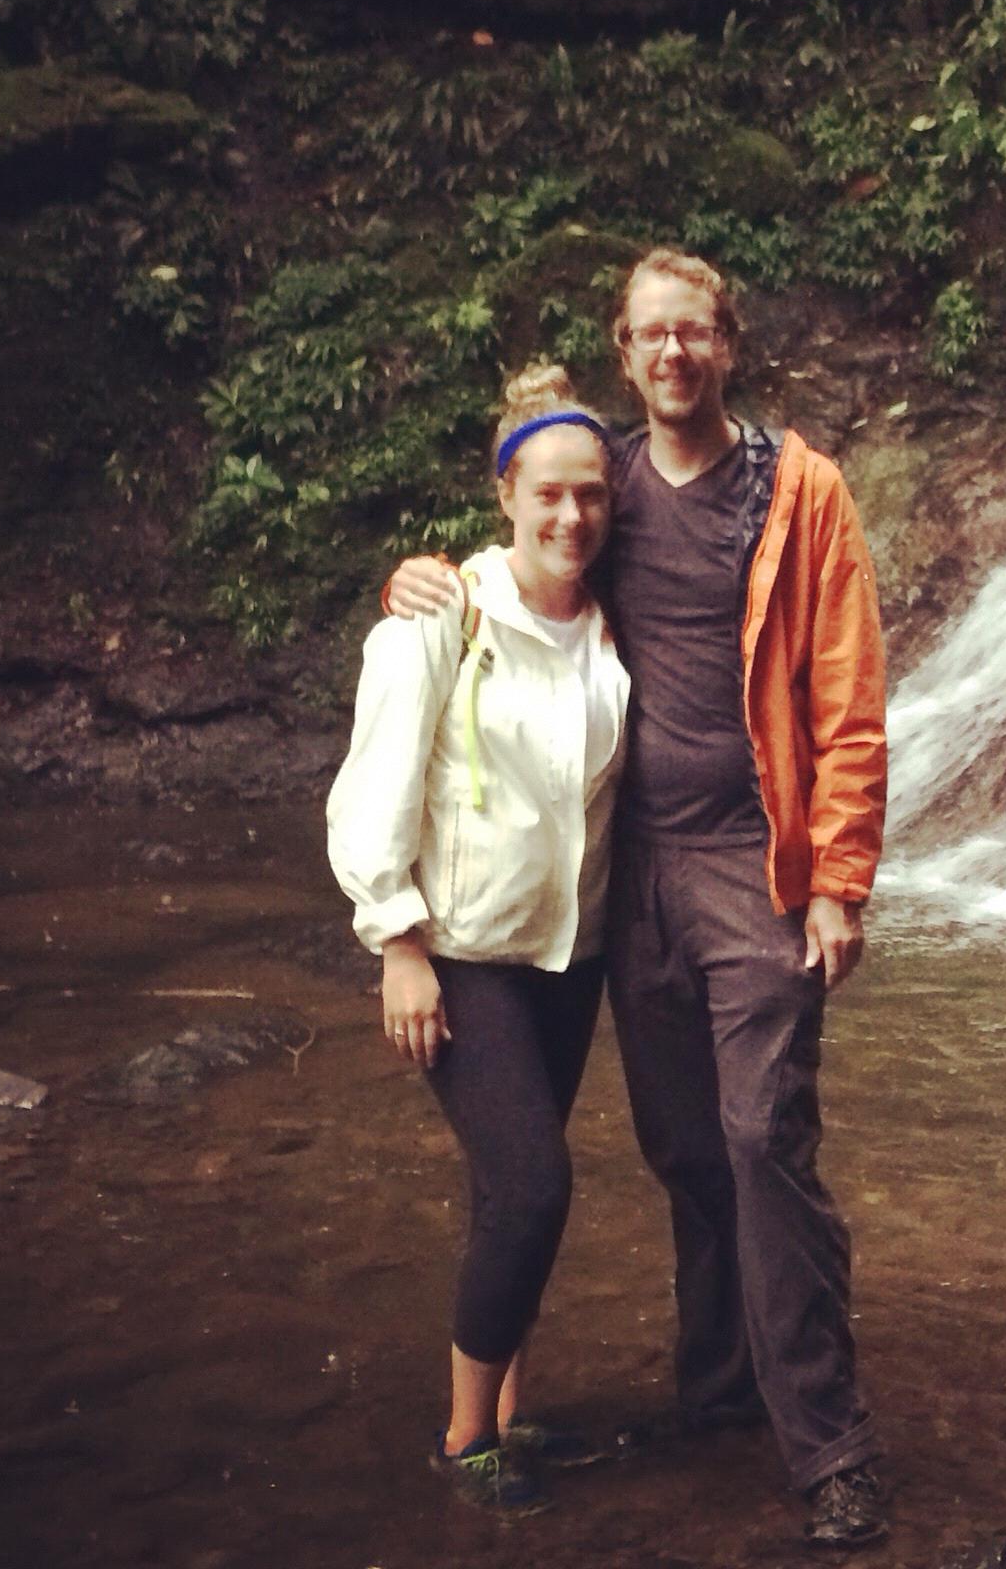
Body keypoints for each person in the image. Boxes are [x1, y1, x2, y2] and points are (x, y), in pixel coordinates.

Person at [387, 248, 890, 1549]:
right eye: (651, 334)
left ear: (729, 344)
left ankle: (827, 1444)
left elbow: (848, 697)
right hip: (626, 877)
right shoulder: (597, 477)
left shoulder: (799, 490)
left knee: (762, 1135)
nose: (675, 353)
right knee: (684, 1151)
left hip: (751, 862)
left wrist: (838, 881)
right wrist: (421, 578)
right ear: (624, 349)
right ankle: (720, 1393)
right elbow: (522, 556)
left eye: (697, 332)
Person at [329, 364, 629, 1517]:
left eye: (591, 496)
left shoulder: (610, 621)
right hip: (461, 948)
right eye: (548, 495)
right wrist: (395, 938)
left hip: (569, 952)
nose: (571, 517)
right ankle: (463, 1441)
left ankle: (507, 1407)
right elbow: (377, 783)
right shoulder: (440, 613)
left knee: (508, 1189)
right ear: (506, 492)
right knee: (533, 1185)